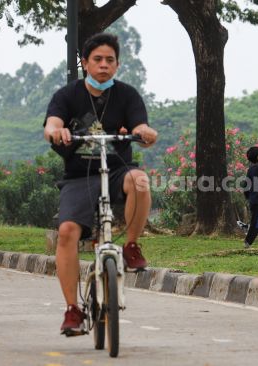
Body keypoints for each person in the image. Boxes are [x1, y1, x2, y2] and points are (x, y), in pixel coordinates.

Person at [43, 33, 158, 336]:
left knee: (141, 181)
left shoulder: (127, 95)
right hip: (79, 176)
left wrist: (145, 132)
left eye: (110, 60)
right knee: (67, 232)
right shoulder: (67, 95)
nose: (104, 65)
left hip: (118, 170)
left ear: (117, 65)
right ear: (85, 63)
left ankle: (131, 245)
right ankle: (72, 309)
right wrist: (57, 132)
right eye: (97, 59)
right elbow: (52, 124)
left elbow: (140, 125)